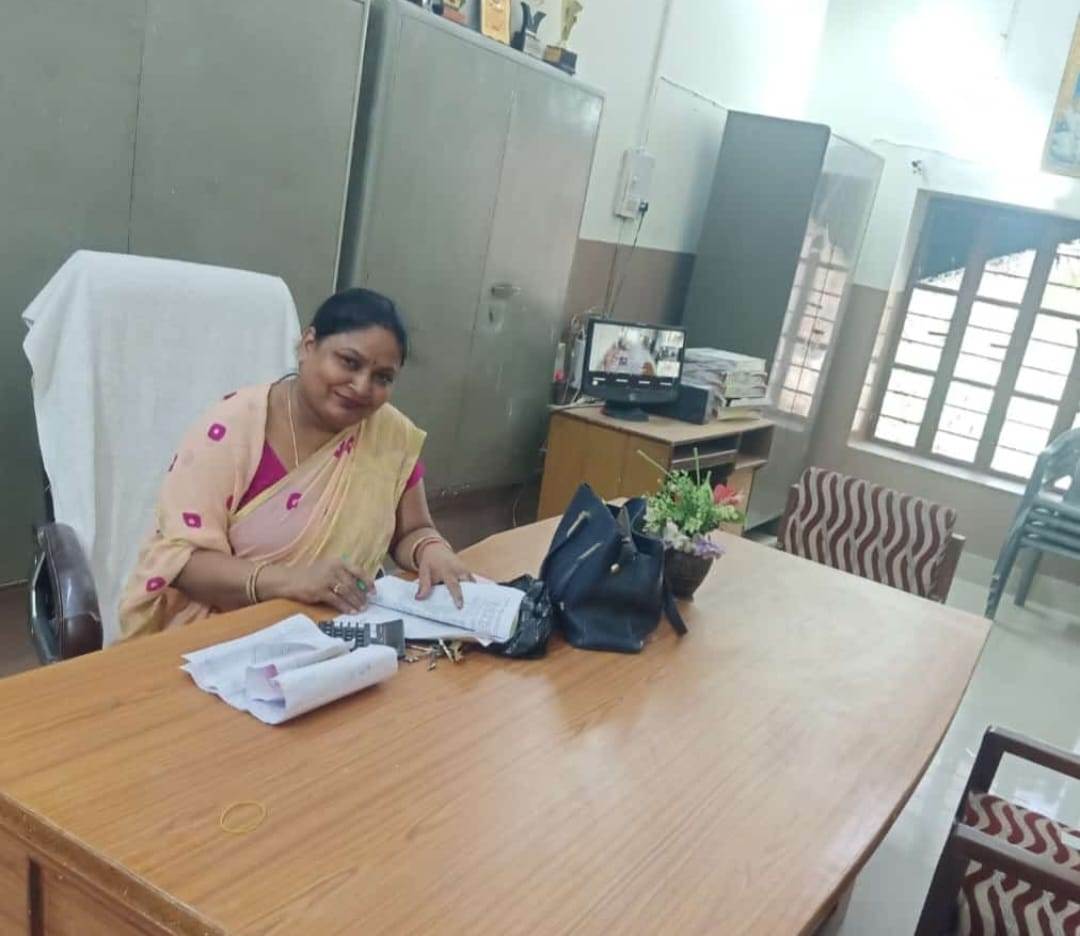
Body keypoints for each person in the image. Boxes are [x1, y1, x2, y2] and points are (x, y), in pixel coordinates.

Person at [119, 288, 472, 639]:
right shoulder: (232, 429)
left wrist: (431, 550)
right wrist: (291, 582)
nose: (362, 386)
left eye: (383, 377)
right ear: (308, 345)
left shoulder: (390, 435)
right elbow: (179, 561)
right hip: (214, 634)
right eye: (349, 362)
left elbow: (411, 530)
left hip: (331, 634)